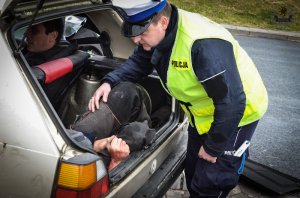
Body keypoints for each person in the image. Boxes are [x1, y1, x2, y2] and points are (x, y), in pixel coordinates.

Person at [89, 0, 268, 197]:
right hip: (203, 113)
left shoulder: (202, 46)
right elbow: (140, 61)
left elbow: (232, 103)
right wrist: (110, 81)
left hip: (237, 115)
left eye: (142, 33)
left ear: (163, 22)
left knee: (211, 182)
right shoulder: (161, 31)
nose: (136, 40)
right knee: (192, 170)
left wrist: (213, 147)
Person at [24, 20, 155, 172]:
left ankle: (115, 145)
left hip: (72, 136)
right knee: (136, 131)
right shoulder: (23, 58)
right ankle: (114, 150)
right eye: (27, 29)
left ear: (53, 36)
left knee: (128, 92)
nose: (27, 34)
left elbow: (139, 63)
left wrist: (108, 82)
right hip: (69, 139)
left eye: (34, 31)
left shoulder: (68, 55)